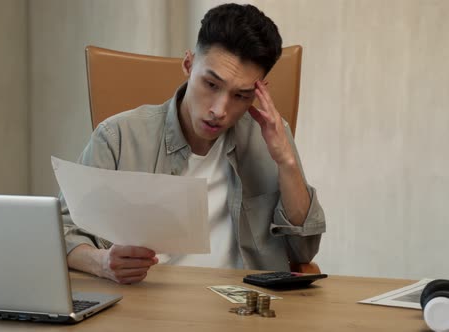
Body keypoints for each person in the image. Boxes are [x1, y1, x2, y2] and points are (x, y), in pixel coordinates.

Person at [60, 3, 326, 284]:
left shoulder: (270, 139)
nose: (220, 110)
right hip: (144, 307)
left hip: (244, 311)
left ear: (258, 92)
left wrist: (286, 162)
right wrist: (101, 263)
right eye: (211, 85)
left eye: (241, 95)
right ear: (188, 64)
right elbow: (61, 232)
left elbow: (304, 251)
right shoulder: (118, 137)